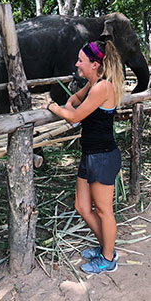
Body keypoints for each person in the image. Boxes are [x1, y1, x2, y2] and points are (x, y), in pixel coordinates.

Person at [43, 40, 124, 274]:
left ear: (95, 64)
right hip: (90, 155)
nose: (77, 64)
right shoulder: (93, 84)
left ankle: (108, 258)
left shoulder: (102, 88)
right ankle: (106, 247)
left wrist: (51, 106)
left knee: (104, 211)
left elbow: (73, 116)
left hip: (102, 157)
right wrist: (68, 108)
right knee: (81, 206)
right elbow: (74, 103)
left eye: (81, 60)